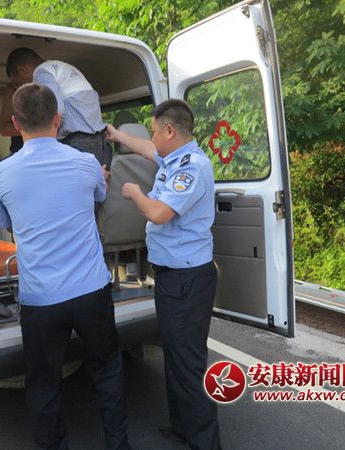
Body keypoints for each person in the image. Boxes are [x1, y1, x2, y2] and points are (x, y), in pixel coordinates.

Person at [0, 83, 130, 450]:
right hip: (91, 291)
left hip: (41, 299)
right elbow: (99, 195)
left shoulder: (0, 174)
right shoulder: (86, 163)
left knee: (44, 383)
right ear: (58, 119)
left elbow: (7, 223)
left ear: (16, 123)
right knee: (107, 371)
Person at [107, 99, 220, 449]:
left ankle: (206, 442)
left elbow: (158, 213)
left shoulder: (191, 168)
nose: (152, 138)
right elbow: (146, 149)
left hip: (187, 280)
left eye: (155, 131)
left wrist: (134, 192)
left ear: (170, 131)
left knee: (188, 363)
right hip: (173, 278)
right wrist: (117, 136)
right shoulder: (172, 158)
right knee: (175, 355)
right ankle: (184, 428)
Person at [2, 47, 112, 168]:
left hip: (78, 143)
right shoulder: (62, 68)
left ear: (22, 70)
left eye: (18, 83)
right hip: (100, 142)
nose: (21, 87)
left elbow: (55, 111)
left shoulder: (41, 72)